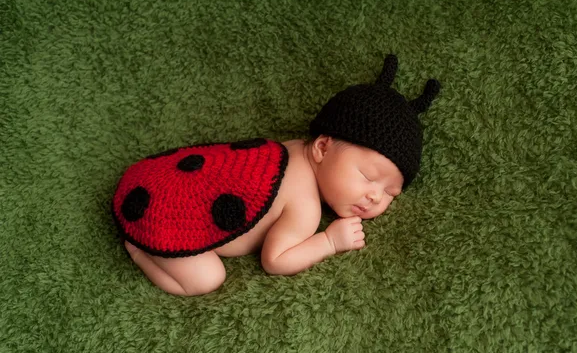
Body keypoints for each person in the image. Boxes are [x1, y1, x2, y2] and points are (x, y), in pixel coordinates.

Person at [112, 54, 441, 296]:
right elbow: (276, 260)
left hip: (151, 177)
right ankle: (141, 252)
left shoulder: (289, 149)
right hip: (162, 218)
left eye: (389, 193)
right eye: (369, 176)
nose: (375, 196)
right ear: (323, 148)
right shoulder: (305, 206)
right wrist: (329, 241)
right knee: (206, 279)